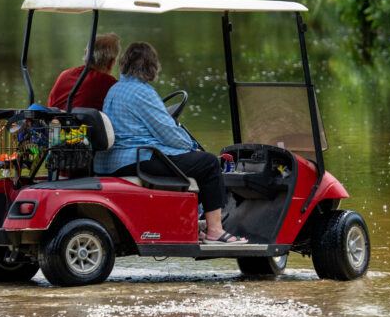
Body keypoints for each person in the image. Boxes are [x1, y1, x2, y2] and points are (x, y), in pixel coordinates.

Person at [94, 42, 247, 244]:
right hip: (138, 157)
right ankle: (215, 230)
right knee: (208, 163)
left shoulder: (116, 88)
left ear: (124, 64)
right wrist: (190, 145)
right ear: (151, 67)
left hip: (114, 159)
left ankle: (195, 222)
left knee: (193, 163)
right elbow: (168, 133)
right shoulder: (142, 92)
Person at [47, 33, 120, 111]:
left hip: (53, 121)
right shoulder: (110, 84)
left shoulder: (64, 75)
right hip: (80, 123)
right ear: (111, 63)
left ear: (86, 54)